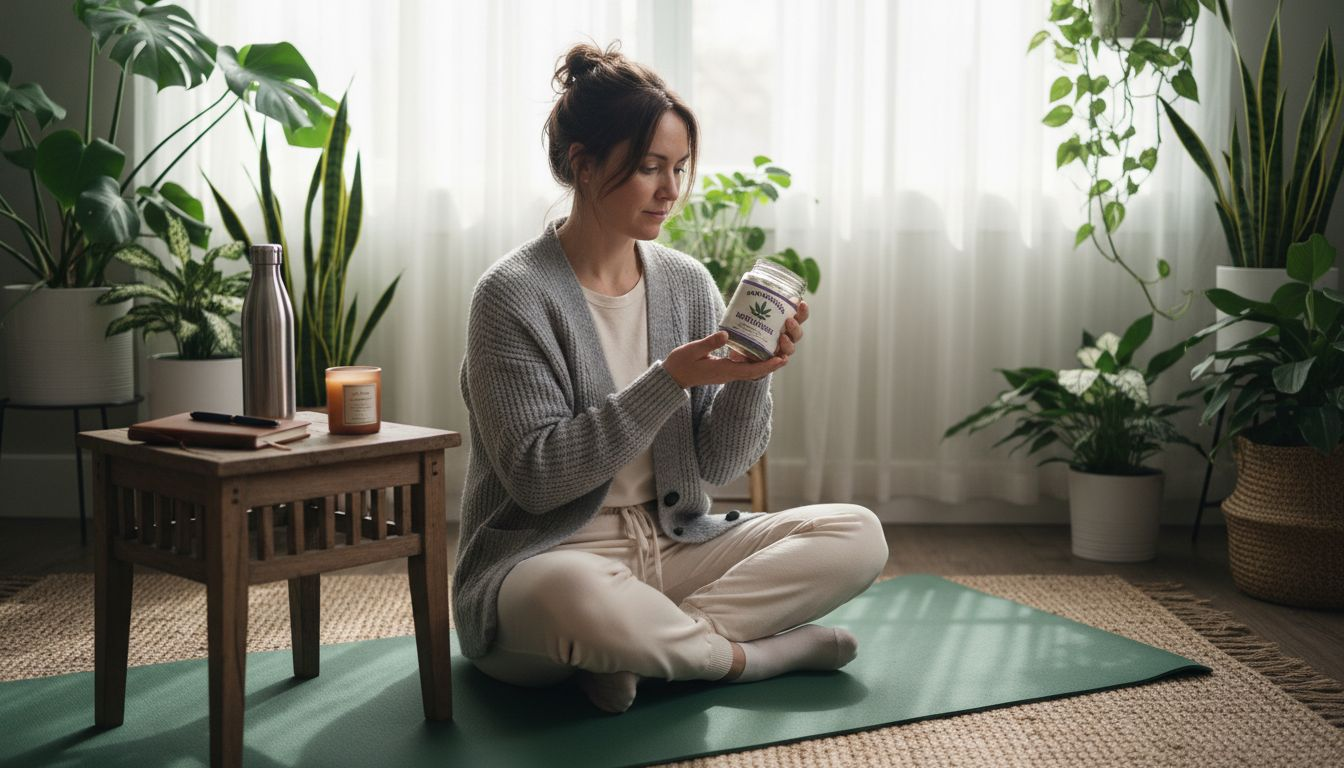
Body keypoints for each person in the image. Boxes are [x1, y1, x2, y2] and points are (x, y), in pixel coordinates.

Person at [452, 41, 888, 714]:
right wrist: (668, 381)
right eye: (650, 168)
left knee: (858, 534)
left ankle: (645, 652)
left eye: (680, 168)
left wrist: (752, 376)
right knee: (579, 600)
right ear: (585, 165)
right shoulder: (512, 296)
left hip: (677, 548)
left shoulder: (685, 283)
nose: (671, 190)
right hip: (548, 562)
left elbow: (717, 462)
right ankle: (747, 659)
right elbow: (538, 481)